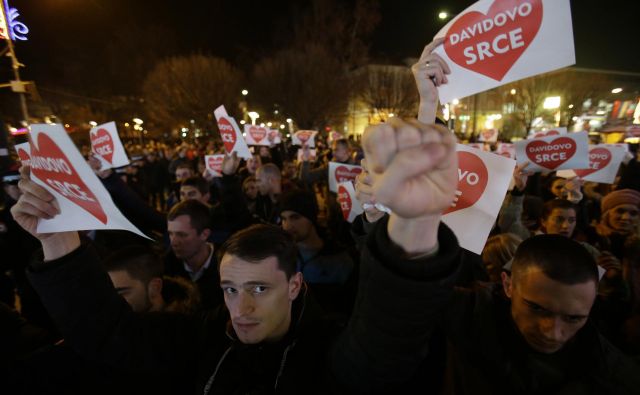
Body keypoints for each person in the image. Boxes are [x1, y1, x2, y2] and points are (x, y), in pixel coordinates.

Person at [13, 117, 464, 394]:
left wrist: (415, 225)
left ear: (294, 285)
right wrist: (57, 239)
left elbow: (383, 351)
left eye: (259, 289)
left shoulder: (327, 349)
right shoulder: (204, 337)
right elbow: (108, 336)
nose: (240, 309)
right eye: (230, 289)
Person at [164, 199, 222, 310]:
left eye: (182, 235)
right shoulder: (166, 266)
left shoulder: (227, 266)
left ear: (204, 234)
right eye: (171, 234)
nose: (173, 242)